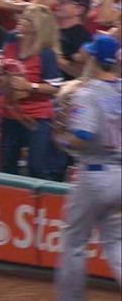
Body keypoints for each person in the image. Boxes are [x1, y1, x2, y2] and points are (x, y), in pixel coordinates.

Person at [53, 34, 122, 299]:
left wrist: (62, 140)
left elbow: (83, 135)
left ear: (94, 60)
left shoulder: (88, 93)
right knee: (115, 242)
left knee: (75, 241)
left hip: (95, 177)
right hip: (120, 177)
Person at [0, 4, 62, 180]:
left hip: (36, 118)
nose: (20, 21)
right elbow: (3, 61)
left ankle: (45, 197)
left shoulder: (46, 54)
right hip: (9, 113)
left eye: (26, 19)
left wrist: (30, 86)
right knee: (6, 165)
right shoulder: (11, 39)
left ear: (37, 26)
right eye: (22, 17)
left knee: (37, 166)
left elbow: (55, 87)